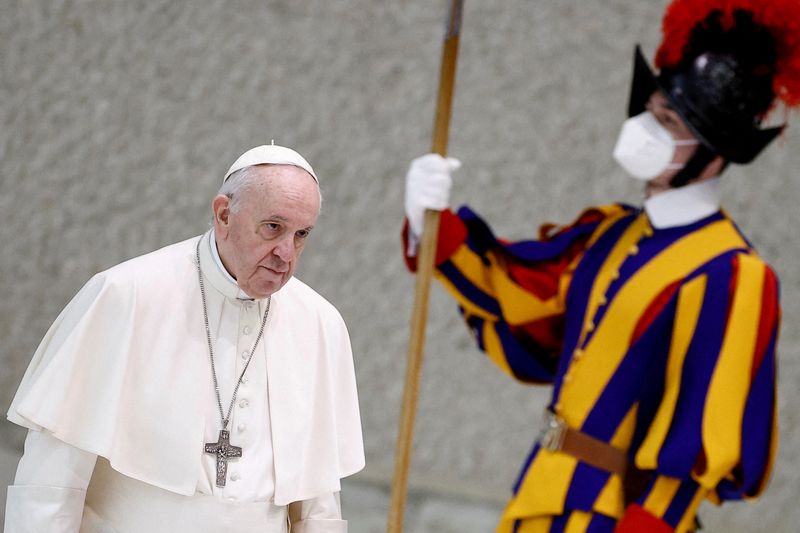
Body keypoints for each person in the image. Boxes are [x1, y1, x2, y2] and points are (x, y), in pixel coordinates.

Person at [402, 1, 799, 531]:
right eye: (650, 109)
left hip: (620, 517)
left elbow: (705, 436)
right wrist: (431, 222)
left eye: (667, 120)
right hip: (542, 493)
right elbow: (521, 300)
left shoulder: (733, 273)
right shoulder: (611, 231)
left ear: (714, 151)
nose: (644, 127)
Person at [5, 144, 365, 532]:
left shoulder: (319, 323)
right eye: (273, 227)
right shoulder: (126, 295)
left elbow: (318, 504)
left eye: (301, 235)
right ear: (224, 214)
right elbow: (51, 482)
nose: (285, 253)